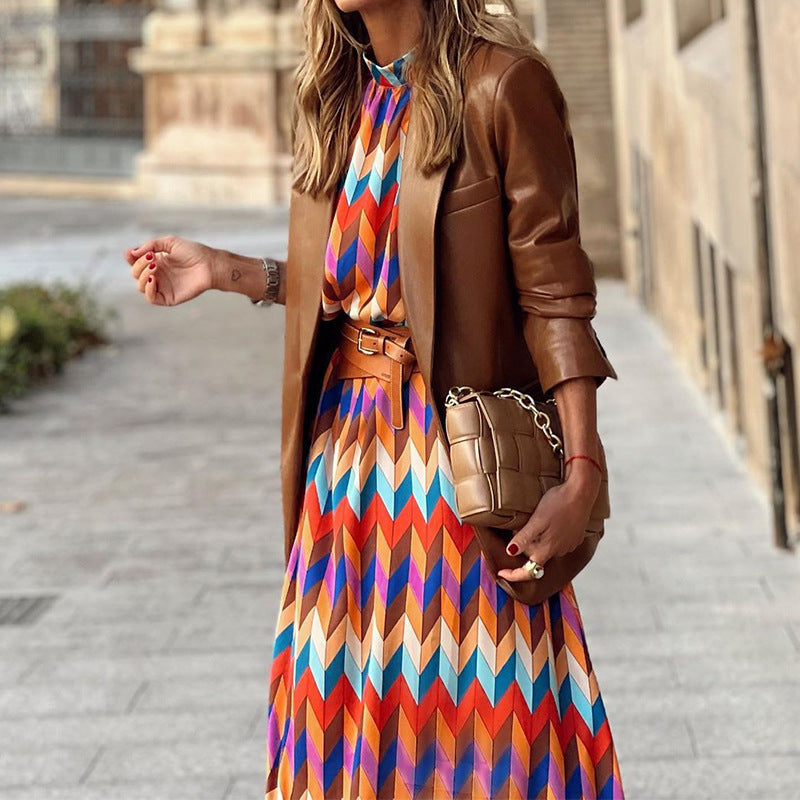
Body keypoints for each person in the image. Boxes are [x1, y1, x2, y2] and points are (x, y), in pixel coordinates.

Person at [126, 0, 626, 796]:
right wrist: (228, 271)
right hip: (344, 474)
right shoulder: (336, 97)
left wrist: (583, 473)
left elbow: (555, 295)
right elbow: (352, 288)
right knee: (330, 727)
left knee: (475, 729)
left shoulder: (502, 85)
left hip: (452, 470)